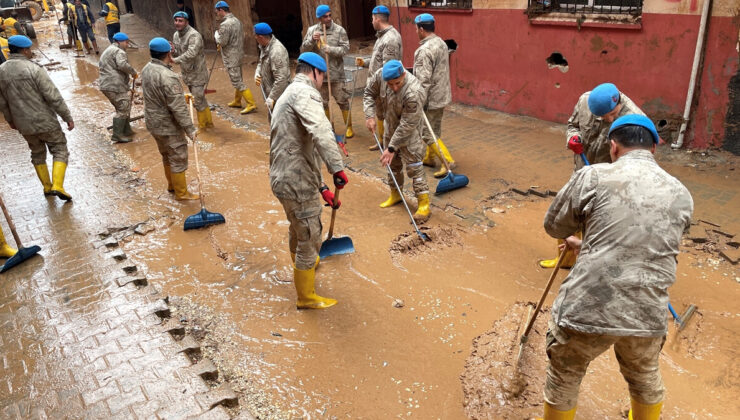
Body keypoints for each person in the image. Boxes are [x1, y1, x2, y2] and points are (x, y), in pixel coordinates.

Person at [539, 114, 693, 420]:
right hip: (647, 312)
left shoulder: (592, 177)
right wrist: (591, 243)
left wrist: (576, 235)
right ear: (654, 149)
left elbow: (554, 225)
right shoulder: (681, 194)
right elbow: (645, 244)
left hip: (588, 306)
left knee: (564, 377)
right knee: (645, 377)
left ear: (613, 147)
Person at [269, 52, 348, 310]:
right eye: (322, 78)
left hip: (285, 177)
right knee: (310, 235)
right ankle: (306, 297)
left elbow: (303, 149)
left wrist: (322, 186)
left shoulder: (288, 93)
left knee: (298, 227)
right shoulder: (305, 92)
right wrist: (337, 168)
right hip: (295, 179)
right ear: (315, 72)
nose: (321, 83)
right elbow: (322, 131)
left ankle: (304, 266)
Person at [539, 82, 646, 269]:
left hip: (611, 179)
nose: (609, 120)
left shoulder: (635, 120)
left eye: (613, 115)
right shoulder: (584, 102)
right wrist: (573, 138)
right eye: (602, 117)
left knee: (598, 221)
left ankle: (593, 266)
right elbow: (573, 125)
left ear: (618, 101)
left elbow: (638, 160)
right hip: (582, 171)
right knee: (569, 213)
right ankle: (565, 261)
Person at [0, 35, 75, 201]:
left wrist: (11, 120)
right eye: (29, 50)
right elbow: (53, 96)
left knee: (37, 153)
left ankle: (47, 187)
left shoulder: (1, 71)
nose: (30, 52)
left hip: (23, 125)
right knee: (59, 148)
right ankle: (58, 185)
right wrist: (66, 116)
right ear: (24, 50)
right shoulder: (34, 69)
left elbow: (2, 102)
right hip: (45, 121)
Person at [364, 60, 431, 222]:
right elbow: (368, 93)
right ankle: (396, 194)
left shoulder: (414, 91)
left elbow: (408, 124)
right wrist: (369, 115)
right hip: (390, 127)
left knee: (414, 167)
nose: (394, 87)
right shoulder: (380, 75)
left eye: (397, 83)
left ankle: (424, 204)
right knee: (392, 165)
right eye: (390, 84)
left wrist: (392, 148)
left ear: (403, 75)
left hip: (409, 134)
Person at [141, 37, 199, 200]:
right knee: (178, 156)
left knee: (166, 154)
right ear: (168, 54)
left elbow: (158, 94)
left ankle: (172, 186)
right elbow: (178, 108)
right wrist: (190, 130)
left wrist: (181, 95)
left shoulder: (147, 68)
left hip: (153, 123)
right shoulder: (168, 76)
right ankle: (182, 194)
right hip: (168, 126)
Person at [413, 13, 455, 179]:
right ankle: (430, 158)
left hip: (430, 98)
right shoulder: (441, 43)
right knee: (434, 128)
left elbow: (423, 80)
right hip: (442, 94)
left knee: (427, 132)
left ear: (421, 29)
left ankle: (448, 161)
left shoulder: (424, 50)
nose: (416, 31)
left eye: (416, 29)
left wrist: (418, 98)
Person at [300, 4, 352, 138]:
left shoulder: (339, 30)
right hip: (319, 75)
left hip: (336, 74)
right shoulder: (312, 31)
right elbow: (304, 50)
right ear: (319, 18)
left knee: (343, 101)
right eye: (325, 17)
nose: (328, 18)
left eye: (330, 15)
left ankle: (349, 127)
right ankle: (329, 126)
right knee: (322, 103)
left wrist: (331, 49)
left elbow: (346, 49)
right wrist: (312, 40)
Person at [356, 5, 402, 151]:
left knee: (389, 118)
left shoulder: (391, 39)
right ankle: (382, 142)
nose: (371, 22)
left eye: (372, 19)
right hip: (379, 88)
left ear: (377, 19)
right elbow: (378, 61)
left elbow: (388, 70)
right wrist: (366, 63)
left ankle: (390, 146)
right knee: (380, 115)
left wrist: (382, 93)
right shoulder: (382, 36)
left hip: (385, 88)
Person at [214, 1, 257, 115]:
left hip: (231, 56)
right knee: (239, 77)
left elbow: (222, 42)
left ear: (221, 10)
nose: (217, 14)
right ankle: (237, 101)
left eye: (217, 12)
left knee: (237, 81)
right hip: (238, 53)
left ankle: (251, 104)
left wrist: (216, 36)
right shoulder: (237, 21)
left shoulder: (225, 24)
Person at [172, 11, 212, 129]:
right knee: (200, 99)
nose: (177, 23)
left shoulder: (194, 35)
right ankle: (209, 124)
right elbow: (179, 51)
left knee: (197, 100)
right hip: (187, 73)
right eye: (176, 20)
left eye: (180, 21)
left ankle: (203, 127)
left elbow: (191, 53)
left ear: (187, 22)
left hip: (198, 73)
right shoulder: (176, 35)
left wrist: (175, 60)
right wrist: (173, 51)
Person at [98, 32, 137, 143]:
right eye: (126, 42)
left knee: (122, 106)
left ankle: (126, 129)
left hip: (107, 84)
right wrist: (133, 72)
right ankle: (117, 135)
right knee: (123, 107)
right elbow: (122, 65)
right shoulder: (119, 52)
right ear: (119, 42)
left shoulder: (110, 49)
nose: (127, 45)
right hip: (114, 85)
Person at [253, 22, 289, 114]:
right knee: (273, 121)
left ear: (261, 37)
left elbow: (281, 79)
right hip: (270, 92)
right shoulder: (264, 46)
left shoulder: (276, 52)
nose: (255, 38)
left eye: (256, 36)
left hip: (280, 95)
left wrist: (272, 97)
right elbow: (261, 62)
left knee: (281, 122)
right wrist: (257, 72)